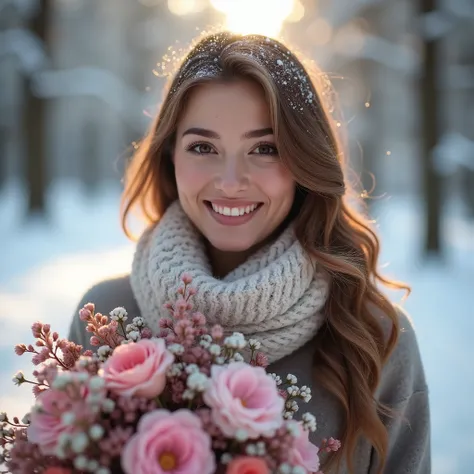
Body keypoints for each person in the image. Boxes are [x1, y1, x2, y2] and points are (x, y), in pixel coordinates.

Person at [68, 32, 430, 473]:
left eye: (265, 148)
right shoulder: (105, 320)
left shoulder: (374, 337)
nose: (231, 181)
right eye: (203, 147)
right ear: (170, 157)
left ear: (304, 161)